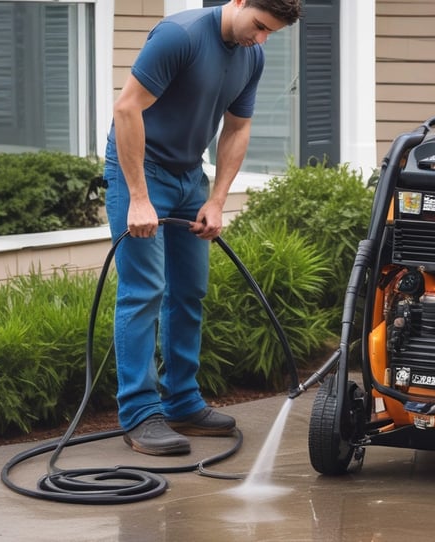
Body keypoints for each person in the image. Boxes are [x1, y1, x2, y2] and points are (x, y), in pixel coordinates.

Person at [103, 0, 302, 456]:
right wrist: (138, 197)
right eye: (258, 25)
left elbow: (237, 127)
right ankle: (139, 413)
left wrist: (216, 200)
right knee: (143, 291)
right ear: (238, 2)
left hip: (190, 174)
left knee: (189, 289)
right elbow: (127, 109)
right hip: (140, 169)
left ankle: (181, 402)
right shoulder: (182, 36)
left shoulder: (252, 54)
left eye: (271, 32)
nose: (261, 38)